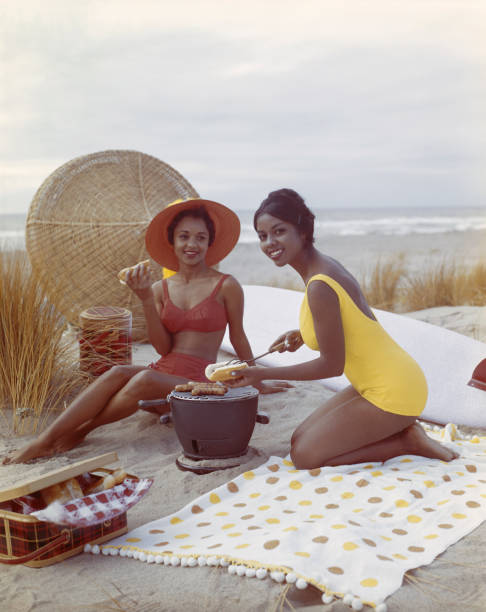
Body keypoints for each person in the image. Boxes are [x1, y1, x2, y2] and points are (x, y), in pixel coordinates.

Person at [6, 198, 289, 464]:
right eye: (184, 236)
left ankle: (79, 431)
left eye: (201, 237)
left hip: (200, 385)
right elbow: (163, 348)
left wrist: (257, 379)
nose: (192, 244)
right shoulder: (158, 289)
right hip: (159, 381)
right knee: (118, 372)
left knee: (142, 378)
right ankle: (47, 438)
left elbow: (238, 336)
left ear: (209, 243)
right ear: (172, 241)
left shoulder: (226, 285)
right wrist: (144, 299)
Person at [227, 188, 458, 469]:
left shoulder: (320, 284)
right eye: (262, 236)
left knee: (304, 457)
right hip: (373, 382)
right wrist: (301, 334)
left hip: (394, 390)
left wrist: (260, 374)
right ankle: (402, 432)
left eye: (279, 231)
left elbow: (331, 366)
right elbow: (348, 319)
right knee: (299, 438)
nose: (269, 242)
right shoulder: (322, 268)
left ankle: (406, 441)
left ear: (302, 230)